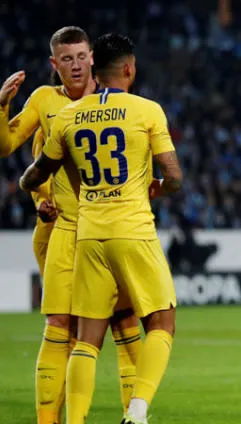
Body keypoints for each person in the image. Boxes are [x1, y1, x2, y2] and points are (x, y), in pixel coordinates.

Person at [20, 33, 182, 424]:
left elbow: (31, 177)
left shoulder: (69, 115)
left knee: (85, 340)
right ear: (128, 69)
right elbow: (174, 176)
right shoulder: (147, 110)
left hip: (88, 236)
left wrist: (42, 193)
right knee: (161, 322)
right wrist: (159, 187)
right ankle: (137, 411)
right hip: (133, 230)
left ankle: (74, 420)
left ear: (95, 65)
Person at [0, 26, 141, 423]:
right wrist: (2, 106)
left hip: (108, 229)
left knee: (123, 323)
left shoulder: (113, 100)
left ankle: (134, 416)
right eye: (67, 59)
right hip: (61, 230)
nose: (76, 66)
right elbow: (8, 147)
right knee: (61, 326)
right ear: (54, 63)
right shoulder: (45, 100)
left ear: (92, 58)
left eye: (81, 57)